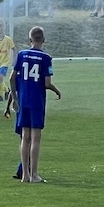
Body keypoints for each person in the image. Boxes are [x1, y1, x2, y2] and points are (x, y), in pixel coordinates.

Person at [7, 25, 61, 184]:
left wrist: (15, 98)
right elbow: (47, 83)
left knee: (25, 137)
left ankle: (25, 175)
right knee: (35, 138)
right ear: (43, 39)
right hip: (37, 100)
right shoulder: (46, 58)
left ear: (30, 39)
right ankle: (34, 174)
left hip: (23, 100)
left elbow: (11, 78)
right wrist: (56, 90)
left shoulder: (22, 54)